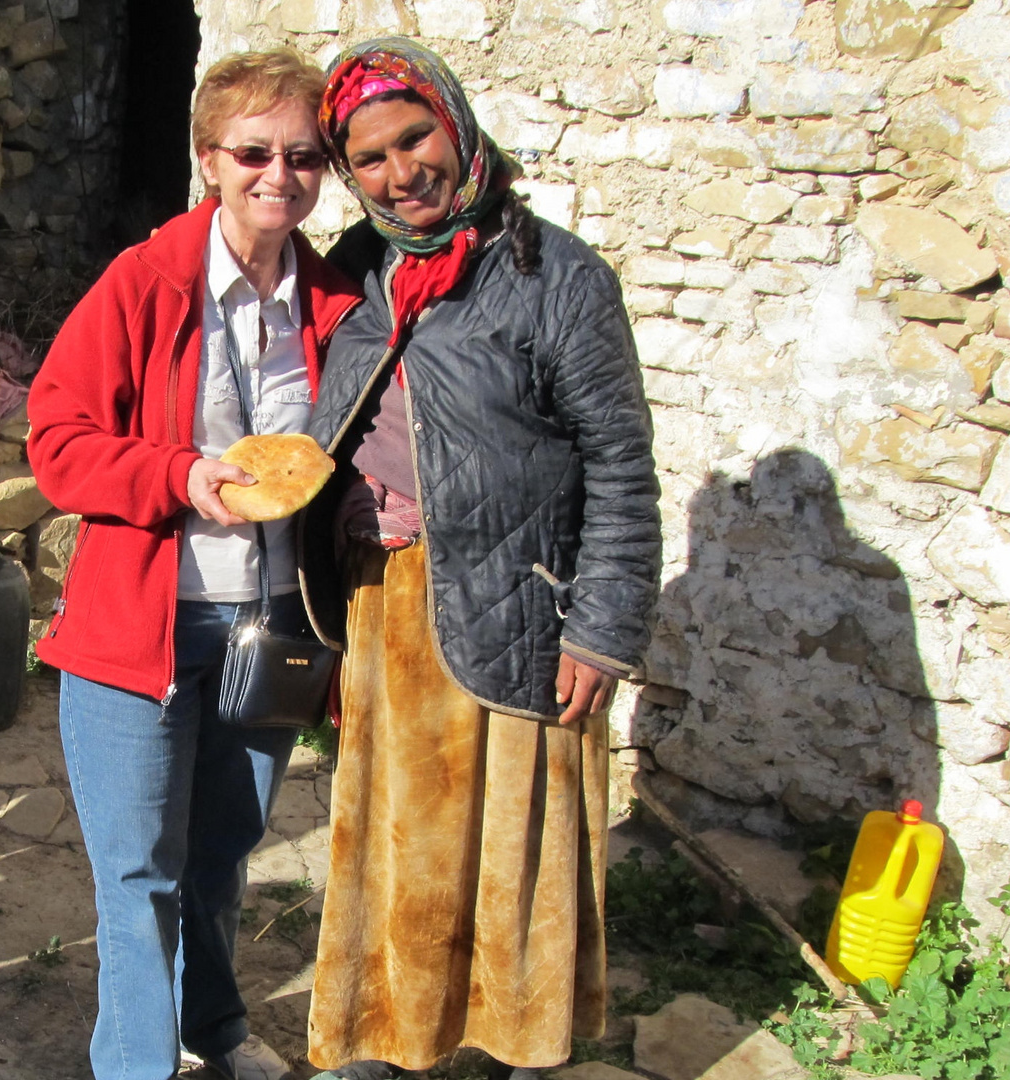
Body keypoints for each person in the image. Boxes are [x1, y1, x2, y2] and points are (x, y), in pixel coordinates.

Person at [299, 37, 662, 1079]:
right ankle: (384, 1045)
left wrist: (601, 627)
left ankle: (500, 1052)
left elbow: (621, 466)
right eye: (367, 158)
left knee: (510, 858)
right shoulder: (363, 274)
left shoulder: (559, 278)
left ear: (455, 126)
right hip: (388, 607)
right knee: (394, 842)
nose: (399, 173)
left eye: (414, 138)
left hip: (523, 604)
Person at [26, 48, 358, 1080]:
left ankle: (211, 1026)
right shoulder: (146, 282)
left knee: (222, 855)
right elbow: (57, 440)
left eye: (304, 156)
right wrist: (179, 474)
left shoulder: (338, 299)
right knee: (138, 874)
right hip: (144, 627)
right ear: (210, 159)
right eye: (253, 152)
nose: (279, 176)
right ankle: (138, 1064)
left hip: (272, 625)